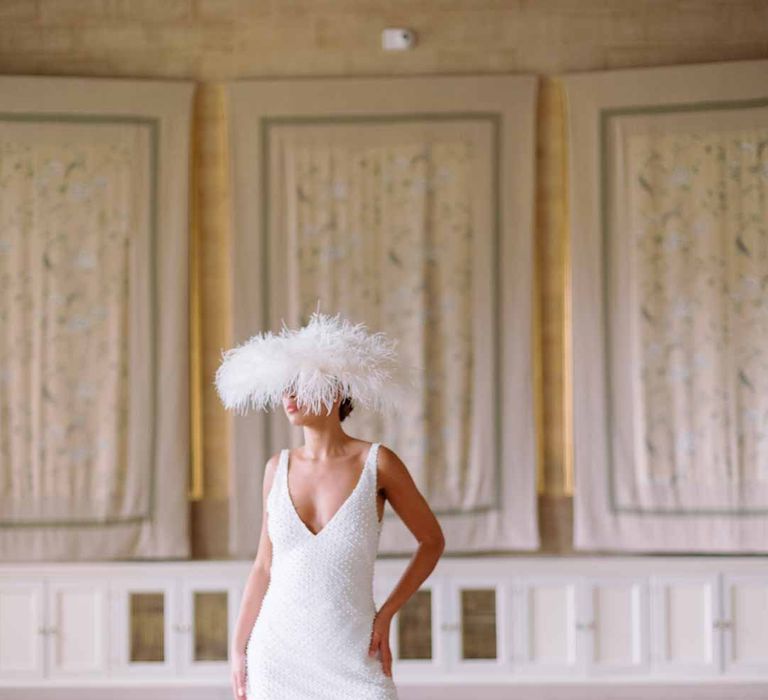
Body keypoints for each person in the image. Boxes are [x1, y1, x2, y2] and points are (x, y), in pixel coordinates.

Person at [215, 311, 445, 699]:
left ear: (334, 391)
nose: (288, 396)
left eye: (299, 385)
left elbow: (432, 541)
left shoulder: (377, 463)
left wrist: (387, 613)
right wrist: (239, 648)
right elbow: (263, 566)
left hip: (353, 652)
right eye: (285, 387)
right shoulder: (277, 468)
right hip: (278, 654)